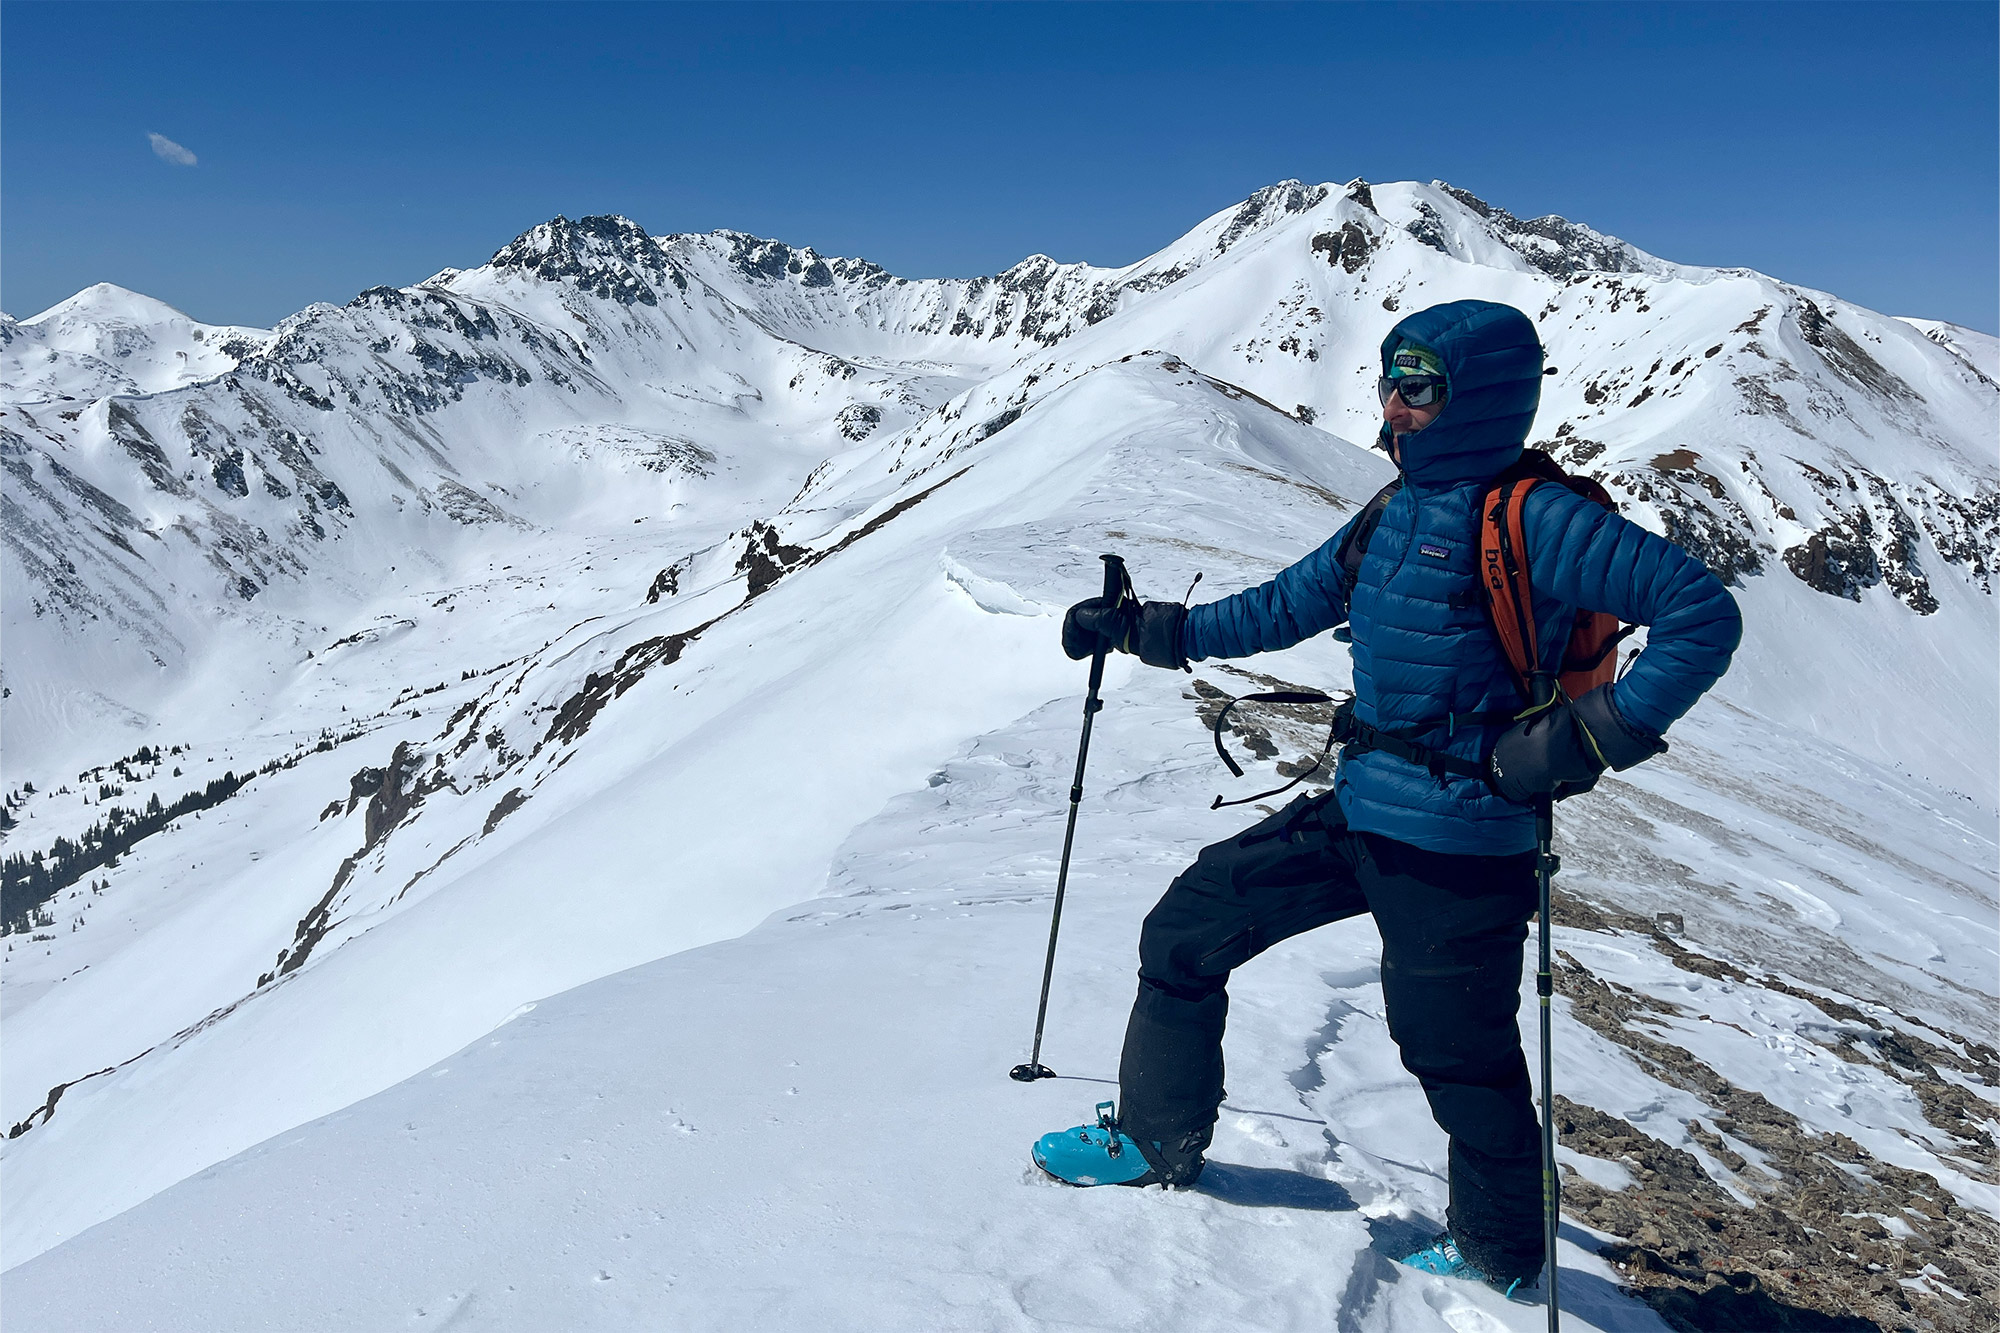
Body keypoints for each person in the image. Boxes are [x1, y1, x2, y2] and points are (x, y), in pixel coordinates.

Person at [1031, 299, 1741, 1292]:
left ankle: (1498, 1257)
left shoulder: (1536, 518)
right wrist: (1145, 629)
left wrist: (1582, 742)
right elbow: (1283, 604)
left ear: (1479, 397)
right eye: (1388, 382)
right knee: (1186, 929)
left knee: (1456, 1056)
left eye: (1419, 387)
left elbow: (1699, 615)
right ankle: (1155, 1142)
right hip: (1361, 805)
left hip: (1464, 843)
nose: (1393, 407)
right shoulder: (1392, 510)